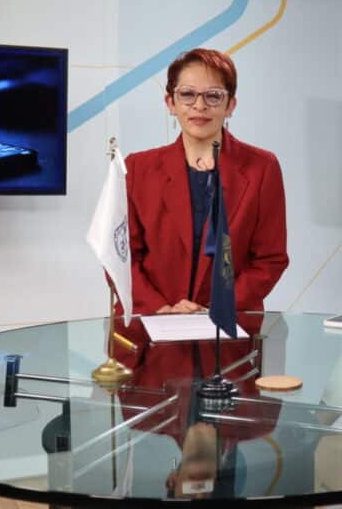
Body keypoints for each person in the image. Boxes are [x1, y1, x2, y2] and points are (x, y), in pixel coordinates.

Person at [114, 48, 289, 367]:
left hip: (227, 334)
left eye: (213, 96)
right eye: (187, 94)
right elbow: (120, 257)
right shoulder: (138, 168)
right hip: (150, 333)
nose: (199, 106)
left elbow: (269, 259)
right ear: (170, 103)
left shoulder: (262, 167)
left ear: (230, 105)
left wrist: (211, 309)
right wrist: (163, 310)